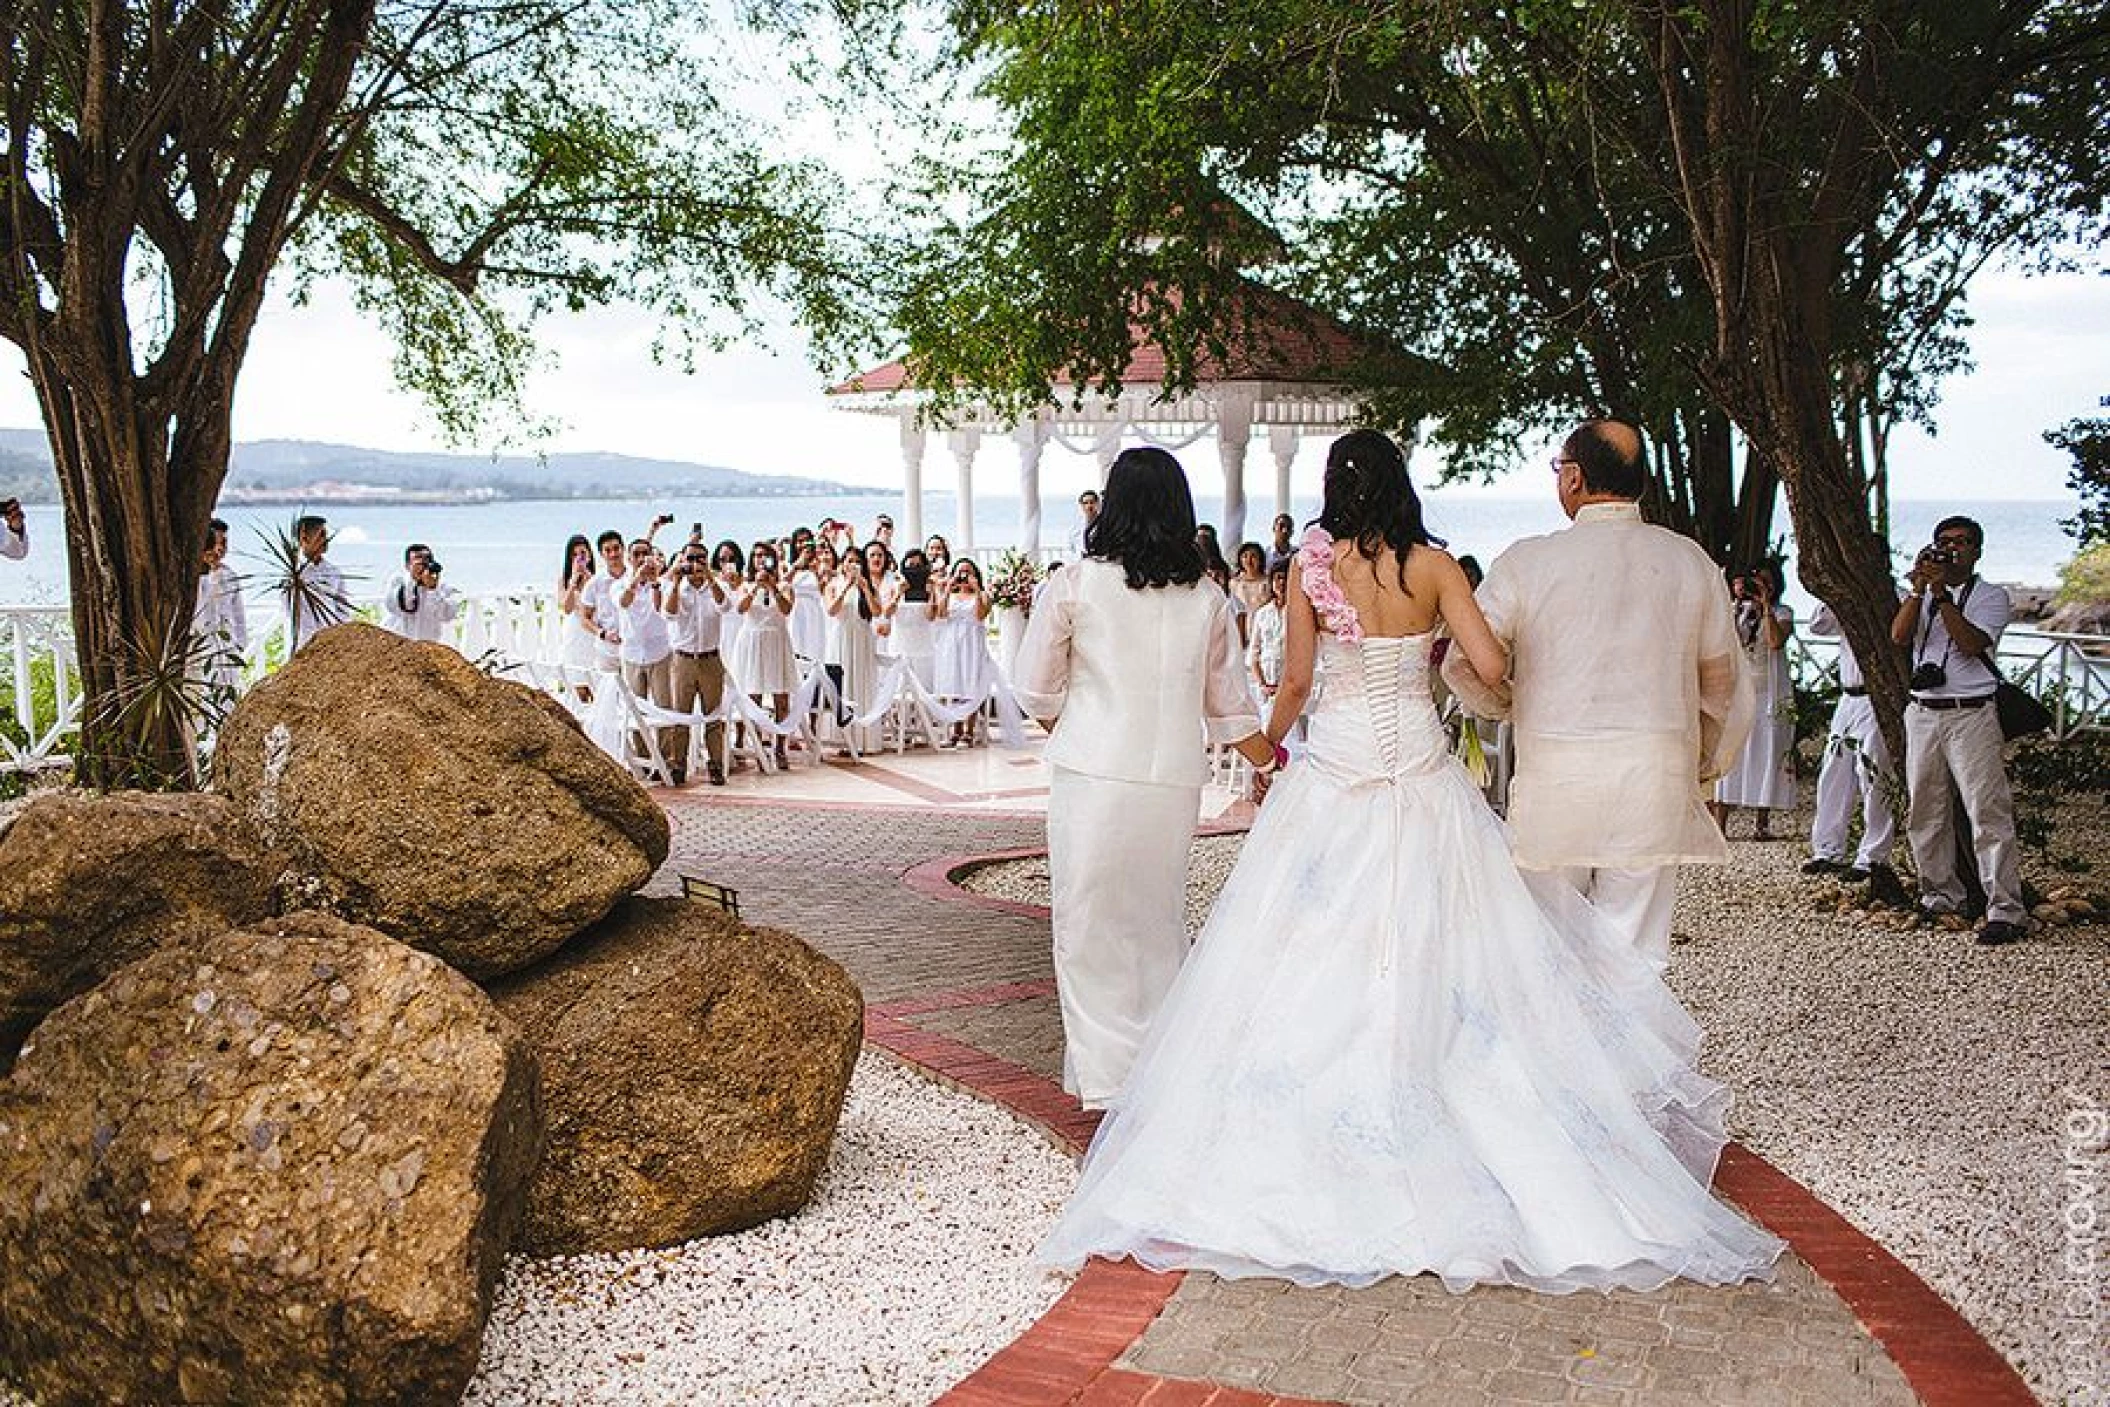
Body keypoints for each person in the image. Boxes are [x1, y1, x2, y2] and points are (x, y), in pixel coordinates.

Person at [1038, 428, 1784, 1294]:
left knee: (1299, 949)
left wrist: (1269, 753)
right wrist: (1429, 655)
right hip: (1422, 776)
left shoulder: (1311, 567)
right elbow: (1494, 661)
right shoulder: (1434, 567)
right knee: (1465, 951)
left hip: (1337, 774)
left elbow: (1293, 685)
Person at [1013, 447, 1276, 1111]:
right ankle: (1157, 1068)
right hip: (1171, 780)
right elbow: (1229, 707)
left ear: (1114, 504)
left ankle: (1107, 1078)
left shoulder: (1074, 584)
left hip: (1093, 775)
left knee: (1088, 923)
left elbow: (1033, 691)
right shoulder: (1209, 598)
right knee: (1155, 922)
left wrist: (1074, 730)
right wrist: (1271, 762)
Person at [1441, 421, 1753, 974]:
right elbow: (1721, 686)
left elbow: (1462, 663)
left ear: (1575, 477)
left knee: (1547, 946)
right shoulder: (1689, 562)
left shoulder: (1527, 562)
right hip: (1653, 773)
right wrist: (1702, 763)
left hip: (1558, 772)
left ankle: (1560, 1055)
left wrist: (1512, 705)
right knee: (1633, 952)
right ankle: (1631, 1057)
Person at [1890, 516, 2027, 944]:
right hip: (1924, 712)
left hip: (1972, 715)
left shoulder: (1990, 596)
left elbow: (1970, 644)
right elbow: (1898, 636)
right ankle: (1939, 897)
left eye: (1961, 543)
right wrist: (1917, 592)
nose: (1951, 550)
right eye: (1943, 543)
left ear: (1977, 551)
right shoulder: (1922, 595)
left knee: (1986, 810)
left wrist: (1943, 597)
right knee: (1925, 811)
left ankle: (2005, 908)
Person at [1804, 598, 1897, 884]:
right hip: (1848, 697)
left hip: (1874, 696)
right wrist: (1830, 597)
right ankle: (1827, 850)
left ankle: (1871, 856)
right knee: (1833, 772)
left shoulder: (1896, 598)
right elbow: (1818, 626)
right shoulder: (1846, 599)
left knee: (1873, 774)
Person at [1710, 564, 1796, 840]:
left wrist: (1766, 607)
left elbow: (1774, 642)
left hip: (1769, 693)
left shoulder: (1783, 613)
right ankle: (1719, 823)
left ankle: (1761, 822)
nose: (1759, 588)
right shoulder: (1735, 613)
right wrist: (1734, 602)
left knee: (1766, 751)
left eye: (1766, 583)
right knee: (1730, 751)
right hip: (1739, 691)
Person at [664, 539, 730, 785]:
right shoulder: (677, 587)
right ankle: (678, 764)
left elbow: (725, 606)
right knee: (681, 717)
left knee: (713, 716)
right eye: (689, 558)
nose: (694, 564)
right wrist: (676, 582)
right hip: (683, 660)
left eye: (699, 559)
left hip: (710, 659)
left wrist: (711, 579)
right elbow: (669, 614)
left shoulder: (716, 586)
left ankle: (715, 765)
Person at [731, 541, 797, 769]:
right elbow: (741, 608)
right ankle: (757, 745)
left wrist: (772, 587)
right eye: (757, 555)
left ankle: (780, 747)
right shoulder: (746, 584)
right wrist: (757, 587)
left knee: (781, 697)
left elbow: (787, 609)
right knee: (753, 695)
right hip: (752, 640)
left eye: (765, 556)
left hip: (776, 639)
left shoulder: (785, 585)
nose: (761, 560)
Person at [617, 538, 679, 779]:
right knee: (636, 710)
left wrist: (653, 582)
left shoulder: (662, 583)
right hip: (632, 654)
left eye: (646, 554)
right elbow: (623, 602)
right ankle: (643, 759)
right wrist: (637, 579)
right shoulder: (621, 584)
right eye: (637, 555)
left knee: (663, 707)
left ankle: (663, 760)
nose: (642, 559)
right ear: (630, 559)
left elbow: (660, 609)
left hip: (659, 652)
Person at [822, 541, 885, 755]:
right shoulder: (833, 584)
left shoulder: (869, 585)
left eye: (858, 561)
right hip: (841, 638)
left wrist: (865, 589)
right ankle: (844, 739)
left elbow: (877, 612)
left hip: (862, 639)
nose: (854, 565)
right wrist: (847, 586)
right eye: (850, 561)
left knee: (862, 683)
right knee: (844, 685)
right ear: (842, 563)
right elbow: (831, 610)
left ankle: (864, 739)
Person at [930, 557, 996, 748]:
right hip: (952, 643)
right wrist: (948, 588)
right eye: (960, 572)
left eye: (968, 572)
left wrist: (976, 588)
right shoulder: (950, 593)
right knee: (955, 683)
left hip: (972, 642)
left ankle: (969, 730)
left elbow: (981, 614)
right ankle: (955, 730)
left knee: (970, 683)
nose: (964, 576)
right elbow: (940, 614)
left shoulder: (981, 595)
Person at [193, 518, 247, 710]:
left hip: (227, 646)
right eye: (219, 542)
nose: (221, 548)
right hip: (202, 647)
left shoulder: (229, 575)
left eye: (225, 543)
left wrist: (239, 644)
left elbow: (238, 612)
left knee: (229, 698)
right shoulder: (196, 577)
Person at [286, 515, 351, 652]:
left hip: (331, 644)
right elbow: (290, 609)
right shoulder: (291, 574)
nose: (326, 540)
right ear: (304, 538)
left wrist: (339, 636)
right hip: (302, 644)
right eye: (321, 535)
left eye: (326, 535)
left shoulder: (334, 572)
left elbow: (343, 609)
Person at [379, 543, 460, 644]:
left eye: (427, 559)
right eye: (418, 560)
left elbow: (448, 615)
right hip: (396, 645)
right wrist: (413, 581)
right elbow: (395, 607)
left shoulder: (443, 588)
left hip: (427, 647)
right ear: (407, 566)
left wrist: (432, 589)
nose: (424, 564)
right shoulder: (398, 582)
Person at [577, 529, 629, 671]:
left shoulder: (634, 577)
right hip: (607, 651)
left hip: (634, 650)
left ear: (623, 549)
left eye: (616, 548)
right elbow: (584, 619)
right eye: (608, 550)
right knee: (607, 691)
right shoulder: (594, 583)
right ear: (601, 554)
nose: (613, 554)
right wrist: (603, 634)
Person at [892, 548, 939, 693]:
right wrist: (899, 593)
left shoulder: (930, 586)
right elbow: (887, 612)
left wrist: (931, 593)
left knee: (924, 689)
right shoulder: (897, 585)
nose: (914, 570)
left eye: (918, 566)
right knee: (899, 690)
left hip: (923, 646)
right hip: (901, 645)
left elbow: (930, 616)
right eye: (910, 566)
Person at [556, 535, 601, 683]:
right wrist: (573, 583)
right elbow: (566, 608)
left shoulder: (598, 577)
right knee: (577, 680)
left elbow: (599, 604)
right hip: (574, 632)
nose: (578, 558)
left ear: (589, 554)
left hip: (593, 628)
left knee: (596, 680)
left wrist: (588, 577)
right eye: (574, 555)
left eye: (582, 553)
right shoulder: (564, 579)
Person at [1245, 561, 1288, 702]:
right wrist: (1262, 684)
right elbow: (1253, 653)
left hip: (1290, 686)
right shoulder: (1262, 613)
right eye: (1278, 578)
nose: (1282, 582)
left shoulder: (1300, 613)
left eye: (1287, 578)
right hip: (1266, 686)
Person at [1068, 490, 1100, 558]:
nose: (1089, 506)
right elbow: (1071, 549)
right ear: (1081, 505)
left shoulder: (1104, 524)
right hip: (1081, 563)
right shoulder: (1075, 527)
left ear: (1097, 503)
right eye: (1085, 503)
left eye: (1092, 502)